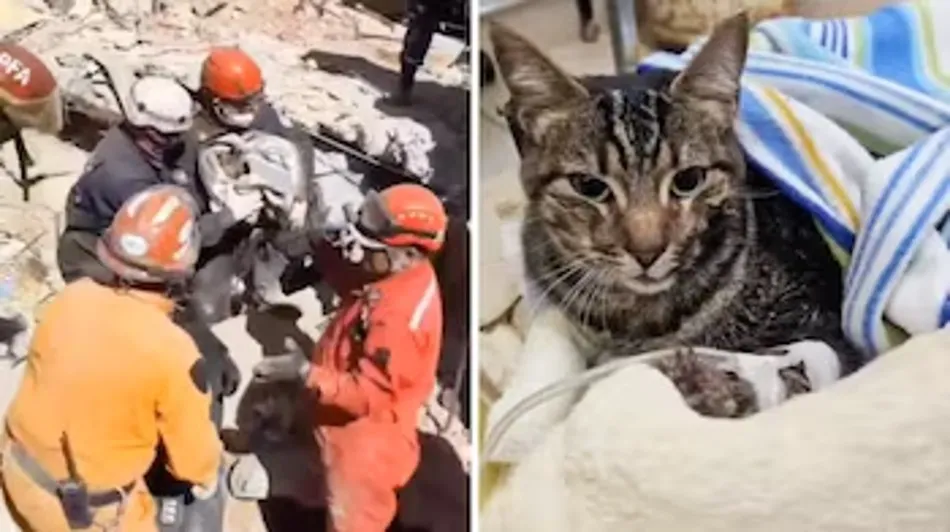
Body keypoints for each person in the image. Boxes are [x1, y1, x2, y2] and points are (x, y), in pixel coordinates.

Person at [1, 185, 223, 532]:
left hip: (20, 476)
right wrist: (208, 471)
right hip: (89, 513)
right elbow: (193, 465)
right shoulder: (174, 352)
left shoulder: (70, 299)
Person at [243, 183, 447, 531]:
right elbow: (351, 277)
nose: (360, 253)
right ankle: (308, 487)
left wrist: (307, 373)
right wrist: (317, 243)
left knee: (352, 514)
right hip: (332, 408)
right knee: (317, 460)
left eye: (371, 247)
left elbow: (369, 396)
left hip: (364, 441)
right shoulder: (393, 274)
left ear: (408, 252)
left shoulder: (401, 322)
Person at [193, 46, 292, 141]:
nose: (252, 108)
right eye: (240, 105)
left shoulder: (269, 120)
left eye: (256, 98)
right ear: (208, 97)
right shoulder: (191, 130)